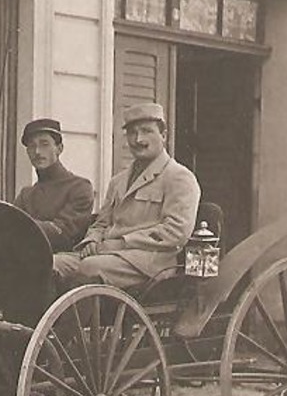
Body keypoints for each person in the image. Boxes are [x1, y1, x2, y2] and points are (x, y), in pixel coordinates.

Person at [52, 101, 201, 291]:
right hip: (106, 254)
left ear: (163, 135)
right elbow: (101, 223)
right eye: (132, 132)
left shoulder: (179, 177)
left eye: (147, 131)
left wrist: (120, 244)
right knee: (52, 263)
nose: (138, 139)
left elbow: (176, 232)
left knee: (90, 267)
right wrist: (92, 240)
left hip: (150, 264)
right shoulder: (118, 181)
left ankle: (70, 322)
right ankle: (43, 321)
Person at [13, 116, 95, 252]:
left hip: (61, 262)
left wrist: (20, 226)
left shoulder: (80, 187)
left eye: (44, 144)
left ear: (59, 148)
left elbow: (64, 235)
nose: (37, 152)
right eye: (32, 146)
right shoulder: (26, 195)